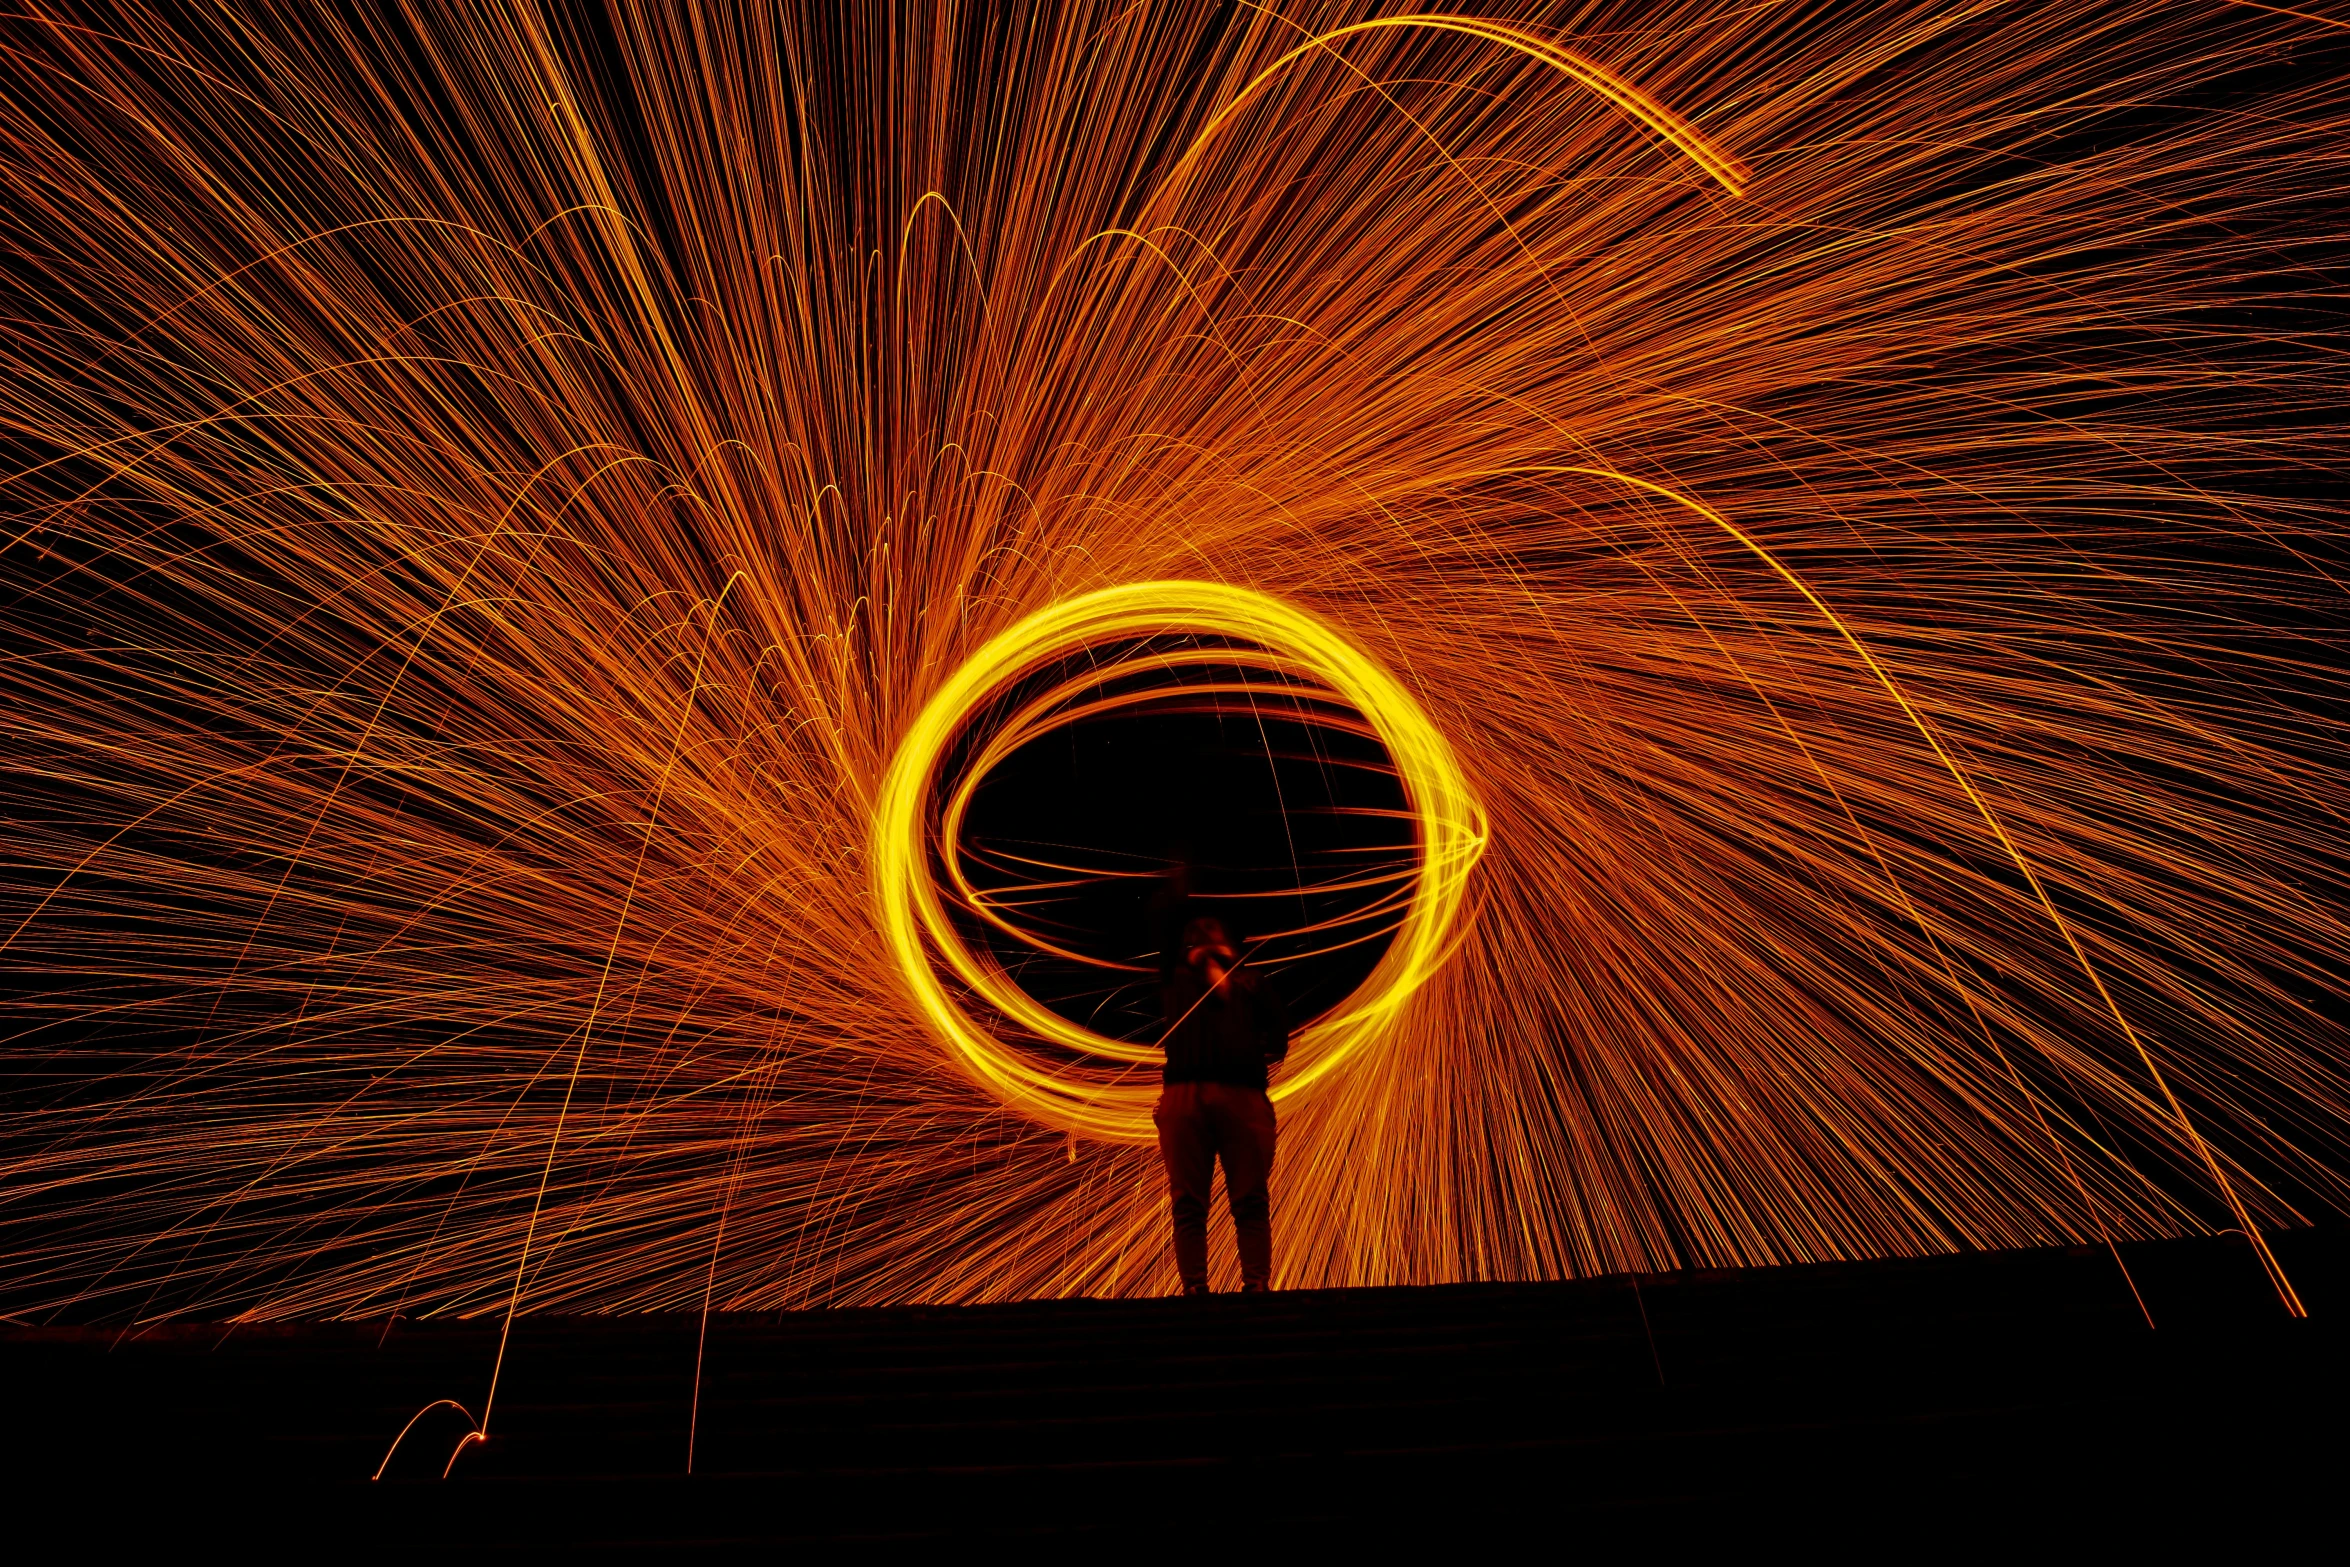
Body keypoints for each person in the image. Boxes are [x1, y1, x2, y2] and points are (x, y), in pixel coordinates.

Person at [1153, 908, 1289, 1294]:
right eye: (1197, 928)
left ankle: (1252, 1286)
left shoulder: (1249, 983)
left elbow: (1279, 1037)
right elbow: (1278, 1039)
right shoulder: (1176, 977)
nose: (1203, 929)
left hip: (1219, 1095)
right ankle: (1205, 1287)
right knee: (1197, 1204)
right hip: (1213, 1095)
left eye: (1211, 926)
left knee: (1244, 1200)